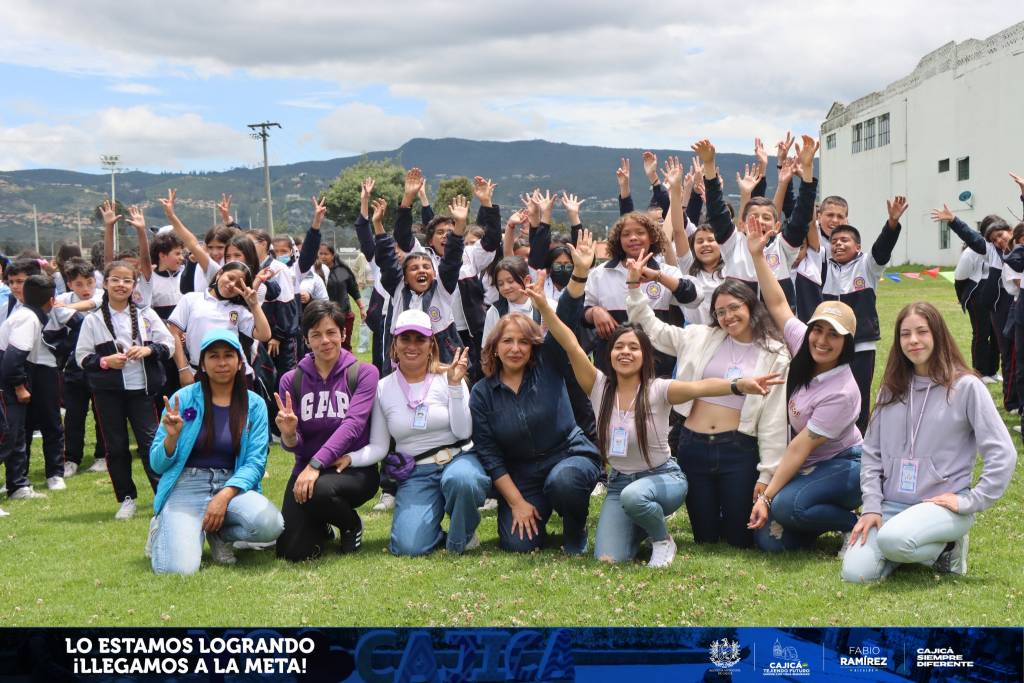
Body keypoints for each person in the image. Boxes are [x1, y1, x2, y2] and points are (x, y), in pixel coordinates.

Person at [525, 230, 781, 567]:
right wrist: (545, 307)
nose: (625, 353)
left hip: (662, 478)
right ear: (608, 355)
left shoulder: (658, 388)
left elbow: (702, 388)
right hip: (620, 484)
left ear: (646, 356)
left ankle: (662, 538)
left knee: (646, 499)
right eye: (619, 347)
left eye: (634, 348)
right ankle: (640, 528)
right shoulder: (598, 385)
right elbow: (570, 342)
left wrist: (738, 386)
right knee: (608, 557)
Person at [841, 303, 1016, 582]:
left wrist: (973, 500)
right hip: (892, 505)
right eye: (905, 334)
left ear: (937, 334)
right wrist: (872, 506)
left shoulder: (967, 387)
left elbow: (1003, 453)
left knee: (893, 539)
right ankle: (918, 549)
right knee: (855, 573)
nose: (913, 340)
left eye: (922, 332)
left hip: (942, 506)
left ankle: (948, 545)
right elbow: (872, 452)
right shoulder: (890, 389)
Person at [627, 258, 790, 548]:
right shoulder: (699, 336)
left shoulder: (775, 353)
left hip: (738, 449)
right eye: (720, 312)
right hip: (694, 445)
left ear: (751, 306)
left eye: (734, 308)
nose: (728, 317)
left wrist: (767, 474)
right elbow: (653, 329)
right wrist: (633, 287)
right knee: (705, 538)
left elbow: (774, 420)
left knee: (740, 539)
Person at [744, 217, 864, 553]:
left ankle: (854, 523)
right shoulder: (803, 343)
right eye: (818, 330)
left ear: (846, 344)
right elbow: (778, 304)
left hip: (847, 465)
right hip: (811, 466)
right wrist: (757, 256)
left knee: (786, 506)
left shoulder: (842, 391)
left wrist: (767, 497)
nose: (822, 341)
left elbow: (799, 448)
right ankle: (815, 516)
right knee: (770, 542)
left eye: (833, 335)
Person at [470, 289, 602, 554]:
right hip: (523, 474)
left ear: (533, 347)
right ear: (494, 348)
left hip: (569, 456)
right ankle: (536, 514)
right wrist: (516, 502)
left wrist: (577, 276)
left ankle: (575, 529)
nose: (515, 349)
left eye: (523, 342)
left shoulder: (549, 361)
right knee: (517, 544)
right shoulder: (482, 393)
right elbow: (489, 454)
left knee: (564, 482)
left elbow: (567, 314)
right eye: (507, 341)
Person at [346, 309, 488, 556]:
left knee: (461, 480)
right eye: (405, 339)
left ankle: (460, 539)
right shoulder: (383, 388)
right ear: (395, 344)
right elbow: (380, 446)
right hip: (417, 472)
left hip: (458, 460)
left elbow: (464, 431)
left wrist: (455, 387)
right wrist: (350, 458)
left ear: (431, 344)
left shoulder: (449, 375)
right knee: (408, 547)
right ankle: (441, 531)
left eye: (420, 339)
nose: (412, 346)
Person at [148, 330, 284, 575]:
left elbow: (255, 463)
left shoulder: (254, 404)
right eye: (213, 356)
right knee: (179, 570)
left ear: (240, 362)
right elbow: (157, 464)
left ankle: (219, 534)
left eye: (228, 355)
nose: (221, 362)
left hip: (232, 485)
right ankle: (164, 526)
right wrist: (171, 438)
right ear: (202, 363)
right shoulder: (182, 400)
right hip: (187, 485)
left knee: (270, 524)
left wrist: (223, 497)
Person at [274, 301, 380, 561]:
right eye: (316, 335)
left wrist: (316, 464)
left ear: (343, 334)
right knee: (292, 552)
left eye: (331, 332)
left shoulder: (364, 373)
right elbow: (296, 443)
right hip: (307, 470)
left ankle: (350, 524)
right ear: (306, 340)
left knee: (320, 491)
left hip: (351, 470)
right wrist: (289, 434)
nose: (325, 341)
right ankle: (321, 524)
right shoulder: (291, 380)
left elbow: (353, 425)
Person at [76, 260, 175, 519]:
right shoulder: (93, 320)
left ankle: (163, 496)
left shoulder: (146, 314)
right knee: (116, 446)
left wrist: (148, 350)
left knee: (150, 444)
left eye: (127, 280)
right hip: (108, 393)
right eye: (115, 280)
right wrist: (105, 362)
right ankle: (127, 498)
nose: (121, 285)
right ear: (105, 283)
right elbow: (82, 357)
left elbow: (169, 345)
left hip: (141, 390)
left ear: (134, 285)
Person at [0, 274, 58, 508]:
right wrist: (19, 387)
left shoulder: (27, 315)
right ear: (52, 301)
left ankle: (17, 485)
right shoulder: (28, 319)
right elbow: (12, 360)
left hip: (10, 382)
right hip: (6, 385)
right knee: (6, 436)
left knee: (16, 435)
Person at [317, 243, 362, 350]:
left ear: (333, 255)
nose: (323, 257)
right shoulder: (316, 271)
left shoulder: (341, 271)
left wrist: (361, 307)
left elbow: (353, 289)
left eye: (326, 254)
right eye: (321, 254)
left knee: (344, 344)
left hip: (343, 314)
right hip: (323, 314)